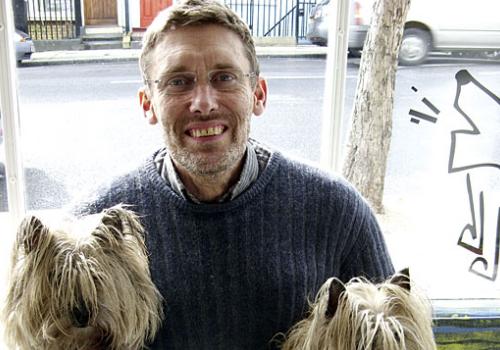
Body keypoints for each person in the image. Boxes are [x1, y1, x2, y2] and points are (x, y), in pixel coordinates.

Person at [74, 0, 394, 348]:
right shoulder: (93, 227)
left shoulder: (337, 211)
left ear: (257, 94)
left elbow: (396, 336)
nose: (204, 103)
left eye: (224, 78)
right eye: (178, 82)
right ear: (148, 103)